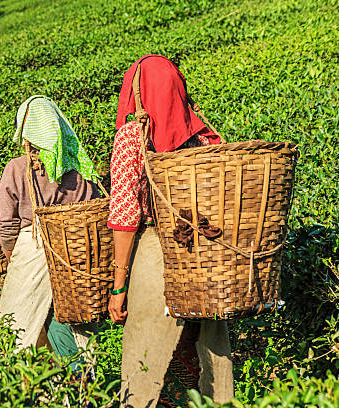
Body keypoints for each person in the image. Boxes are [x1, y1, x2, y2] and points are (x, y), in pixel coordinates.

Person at [107, 54, 234, 407]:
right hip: (207, 262)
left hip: (156, 259)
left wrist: (119, 286)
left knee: (146, 363)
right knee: (207, 358)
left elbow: (125, 215)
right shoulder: (207, 137)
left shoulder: (132, 138)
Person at [0, 95, 99, 371]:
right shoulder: (78, 164)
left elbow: (7, 222)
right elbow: (95, 205)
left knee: (18, 324)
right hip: (76, 247)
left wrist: (10, 255)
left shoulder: (17, 167)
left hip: (34, 246)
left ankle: (28, 387)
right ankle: (82, 383)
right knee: (69, 318)